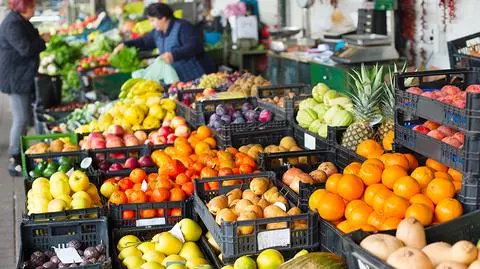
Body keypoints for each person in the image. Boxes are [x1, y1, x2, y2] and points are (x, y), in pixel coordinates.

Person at [0, 0, 46, 176]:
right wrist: (42, 41)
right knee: (21, 119)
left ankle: (21, 154)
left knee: (24, 118)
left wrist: (39, 39)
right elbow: (26, 49)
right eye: (31, 6)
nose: (34, 9)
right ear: (22, 7)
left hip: (21, 76)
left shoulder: (19, 21)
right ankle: (14, 159)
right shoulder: (12, 24)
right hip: (16, 79)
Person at [115, 3, 215, 82]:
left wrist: (173, 55)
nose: (151, 24)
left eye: (153, 20)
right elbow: (144, 42)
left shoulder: (183, 27)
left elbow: (195, 46)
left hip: (199, 75)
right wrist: (126, 44)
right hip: (180, 79)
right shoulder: (157, 32)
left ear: (163, 17)